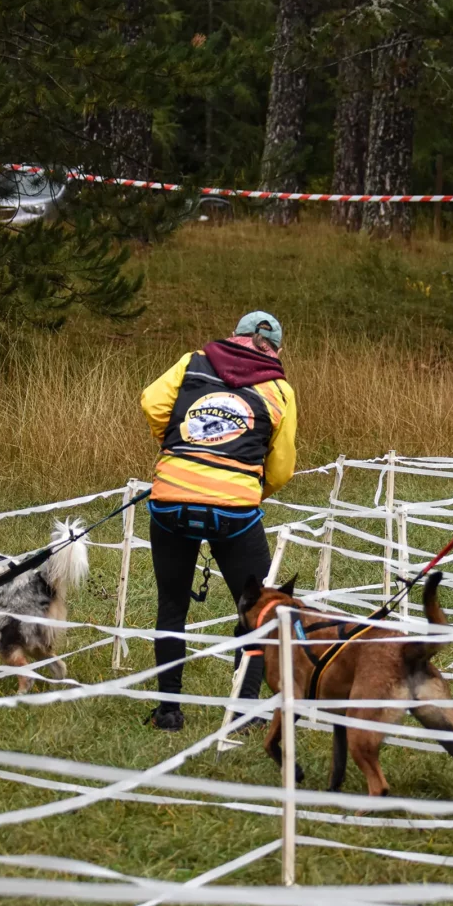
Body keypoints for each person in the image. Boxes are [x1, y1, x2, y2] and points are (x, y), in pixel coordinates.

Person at [140, 311, 296, 731]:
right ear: (277, 350)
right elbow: (281, 469)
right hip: (235, 511)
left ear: (235, 336)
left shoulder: (193, 360)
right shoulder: (280, 389)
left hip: (171, 500)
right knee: (258, 609)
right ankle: (244, 710)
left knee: (171, 607)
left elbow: (152, 402)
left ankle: (168, 712)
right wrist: (245, 484)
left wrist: (178, 444)